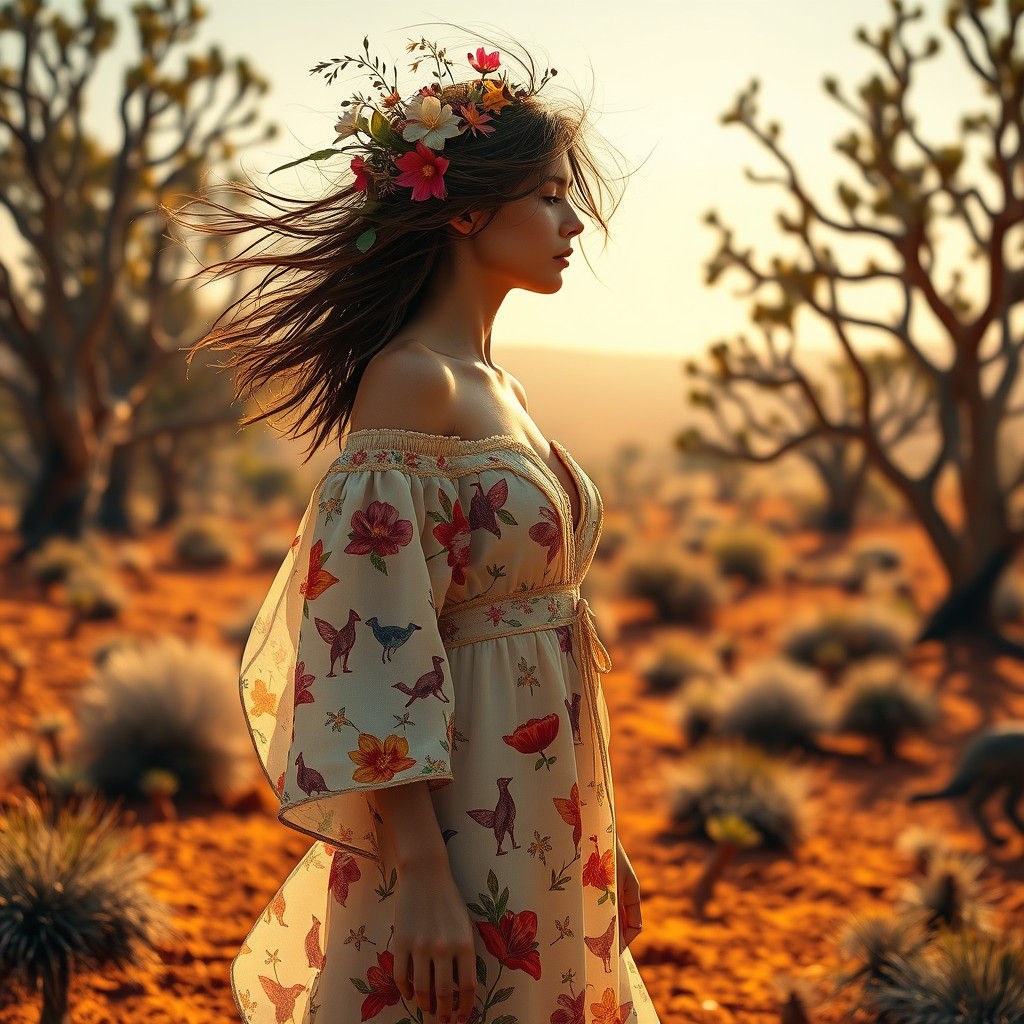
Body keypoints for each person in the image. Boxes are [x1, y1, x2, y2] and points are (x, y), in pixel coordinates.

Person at [168, 28, 660, 1024]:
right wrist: (425, 875)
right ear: (465, 207)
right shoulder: (411, 382)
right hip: (458, 819)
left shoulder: (501, 388)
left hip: (539, 804)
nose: (574, 222)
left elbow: (538, 633)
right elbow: (370, 650)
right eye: (549, 195)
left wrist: (600, 835)